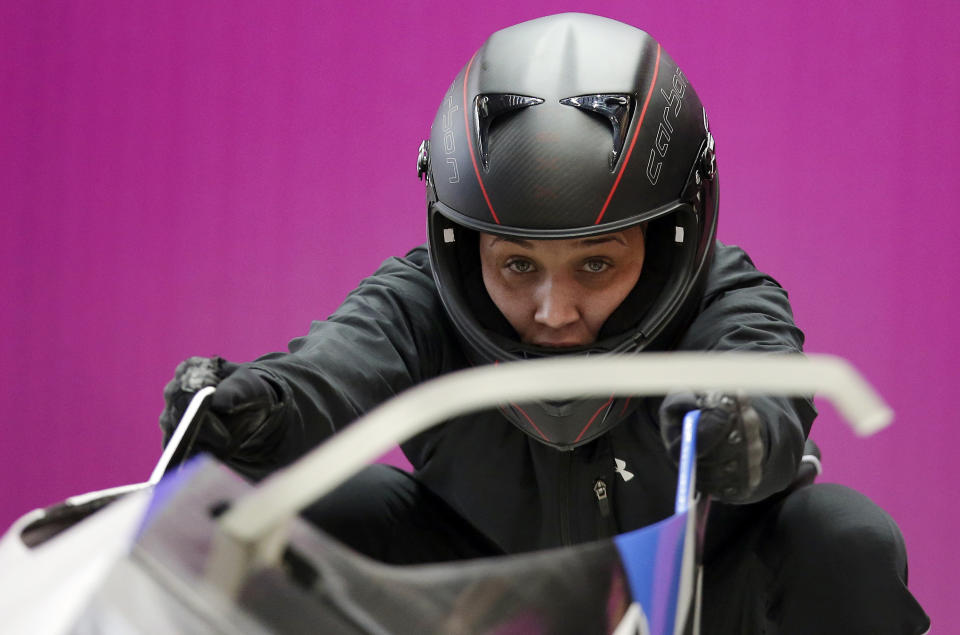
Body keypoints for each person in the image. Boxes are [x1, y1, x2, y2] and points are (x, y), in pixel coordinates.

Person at [159, 13, 929, 634]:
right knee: (296, 515)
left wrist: (743, 430)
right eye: (517, 265)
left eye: (596, 264)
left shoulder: (727, 292)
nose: (553, 313)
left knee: (845, 536)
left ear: (672, 240)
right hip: (482, 599)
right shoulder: (423, 296)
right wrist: (250, 414)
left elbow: (764, 381)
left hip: (694, 592)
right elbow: (328, 373)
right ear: (462, 245)